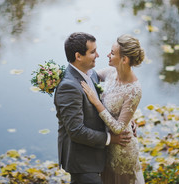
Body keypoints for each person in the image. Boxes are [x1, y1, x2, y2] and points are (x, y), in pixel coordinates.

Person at [54, 32, 131, 184]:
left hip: (97, 155)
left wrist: (125, 120)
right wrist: (111, 139)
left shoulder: (91, 74)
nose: (98, 55)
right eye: (93, 52)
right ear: (78, 56)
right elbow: (76, 131)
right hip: (82, 161)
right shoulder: (68, 87)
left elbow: (102, 104)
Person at [81, 34, 145, 184]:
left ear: (124, 59)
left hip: (122, 150)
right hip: (107, 146)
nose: (107, 55)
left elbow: (117, 128)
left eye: (112, 53)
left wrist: (97, 103)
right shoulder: (110, 73)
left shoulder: (134, 90)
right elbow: (88, 76)